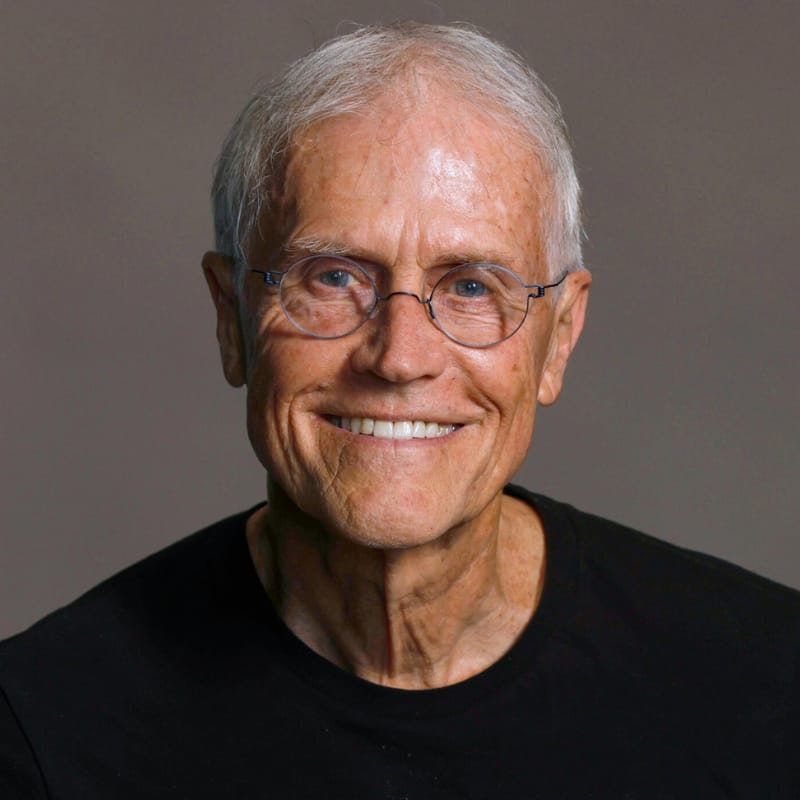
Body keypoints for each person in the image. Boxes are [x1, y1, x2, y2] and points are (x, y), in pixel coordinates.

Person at [1, 21, 798, 798]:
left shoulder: (770, 687)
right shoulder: (44, 729)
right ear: (231, 319)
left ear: (558, 340)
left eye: (473, 286)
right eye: (334, 277)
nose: (400, 356)